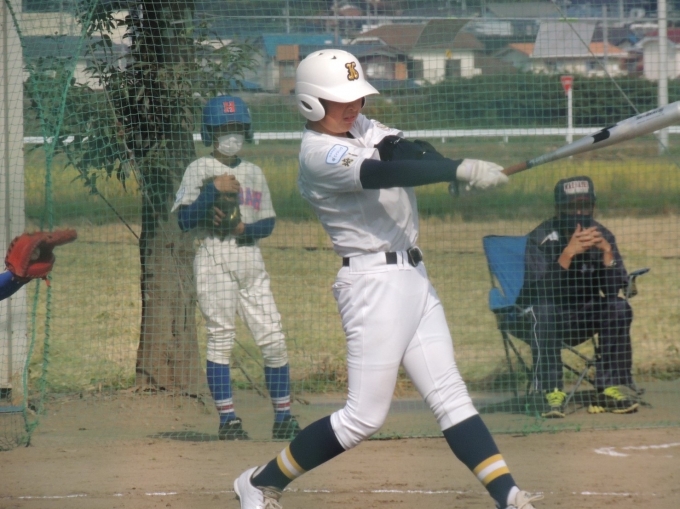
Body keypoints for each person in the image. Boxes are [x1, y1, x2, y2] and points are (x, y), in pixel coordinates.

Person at [233, 49, 542, 509]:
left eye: (357, 97)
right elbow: (381, 172)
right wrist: (455, 168)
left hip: (414, 276)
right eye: (342, 99)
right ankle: (260, 481)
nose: (354, 106)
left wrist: (448, 168)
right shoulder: (317, 153)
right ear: (311, 102)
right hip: (372, 285)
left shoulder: (359, 126)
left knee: (451, 396)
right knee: (363, 417)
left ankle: (508, 495)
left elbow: (403, 150)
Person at [172, 95, 300, 441]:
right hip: (213, 256)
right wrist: (211, 192)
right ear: (210, 132)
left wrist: (245, 228)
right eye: (225, 127)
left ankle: (283, 417)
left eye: (237, 127)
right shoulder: (199, 169)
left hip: (250, 258)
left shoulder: (253, 172)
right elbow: (184, 220)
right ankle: (228, 420)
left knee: (274, 338)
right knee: (220, 338)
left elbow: (268, 222)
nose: (232, 134)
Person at [517, 175, 639, 418]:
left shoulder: (602, 235)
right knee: (543, 310)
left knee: (619, 307)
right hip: (549, 317)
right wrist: (567, 254)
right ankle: (550, 391)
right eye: (572, 206)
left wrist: (607, 254)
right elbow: (537, 292)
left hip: (585, 315)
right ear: (558, 209)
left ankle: (608, 389)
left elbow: (612, 291)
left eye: (585, 205)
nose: (579, 212)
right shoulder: (540, 237)